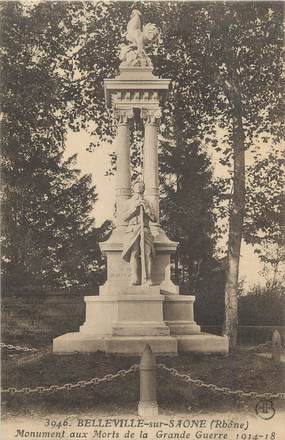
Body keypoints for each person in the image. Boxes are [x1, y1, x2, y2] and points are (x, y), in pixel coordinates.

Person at [121, 180, 156, 285]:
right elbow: (124, 218)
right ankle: (135, 277)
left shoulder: (148, 202)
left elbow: (154, 219)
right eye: (137, 186)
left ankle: (148, 278)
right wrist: (134, 208)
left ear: (144, 189)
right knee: (134, 252)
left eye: (141, 186)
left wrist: (147, 210)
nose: (139, 188)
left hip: (144, 229)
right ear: (133, 188)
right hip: (132, 229)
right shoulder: (128, 202)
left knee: (148, 253)